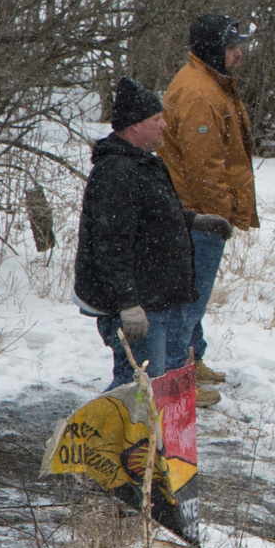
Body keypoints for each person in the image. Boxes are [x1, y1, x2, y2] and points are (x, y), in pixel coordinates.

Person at [74, 78, 197, 391]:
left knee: (147, 388)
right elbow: (110, 245)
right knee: (136, 389)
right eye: (156, 119)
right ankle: (111, 440)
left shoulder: (144, 164)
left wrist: (194, 221)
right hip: (138, 307)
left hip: (157, 298)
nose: (164, 125)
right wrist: (128, 304)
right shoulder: (116, 171)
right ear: (133, 127)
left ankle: (144, 441)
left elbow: (151, 218)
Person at [160, 13, 258, 404]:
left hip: (199, 212)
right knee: (189, 297)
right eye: (233, 47)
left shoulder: (211, 84)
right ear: (214, 50)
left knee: (192, 293)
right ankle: (177, 379)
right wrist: (220, 217)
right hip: (198, 214)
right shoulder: (201, 93)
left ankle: (190, 358)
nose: (238, 55)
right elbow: (206, 169)